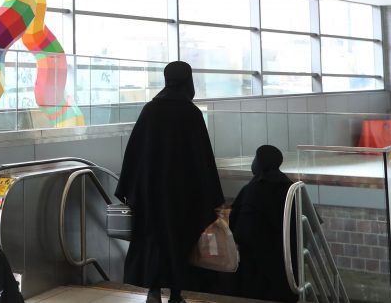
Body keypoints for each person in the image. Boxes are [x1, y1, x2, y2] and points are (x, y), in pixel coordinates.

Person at [115, 61, 224, 303]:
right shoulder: (191, 114)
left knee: (153, 242)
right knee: (181, 243)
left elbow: (134, 154)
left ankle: (153, 291)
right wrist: (212, 196)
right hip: (183, 197)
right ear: (188, 81)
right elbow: (202, 159)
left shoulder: (150, 110)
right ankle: (176, 294)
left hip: (150, 195)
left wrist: (129, 189)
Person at [228, 145, 298, 303]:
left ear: (259, 162)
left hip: (256, 273)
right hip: (287, 270)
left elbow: (239, 231)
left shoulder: (251, 190)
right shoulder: (291, 188)